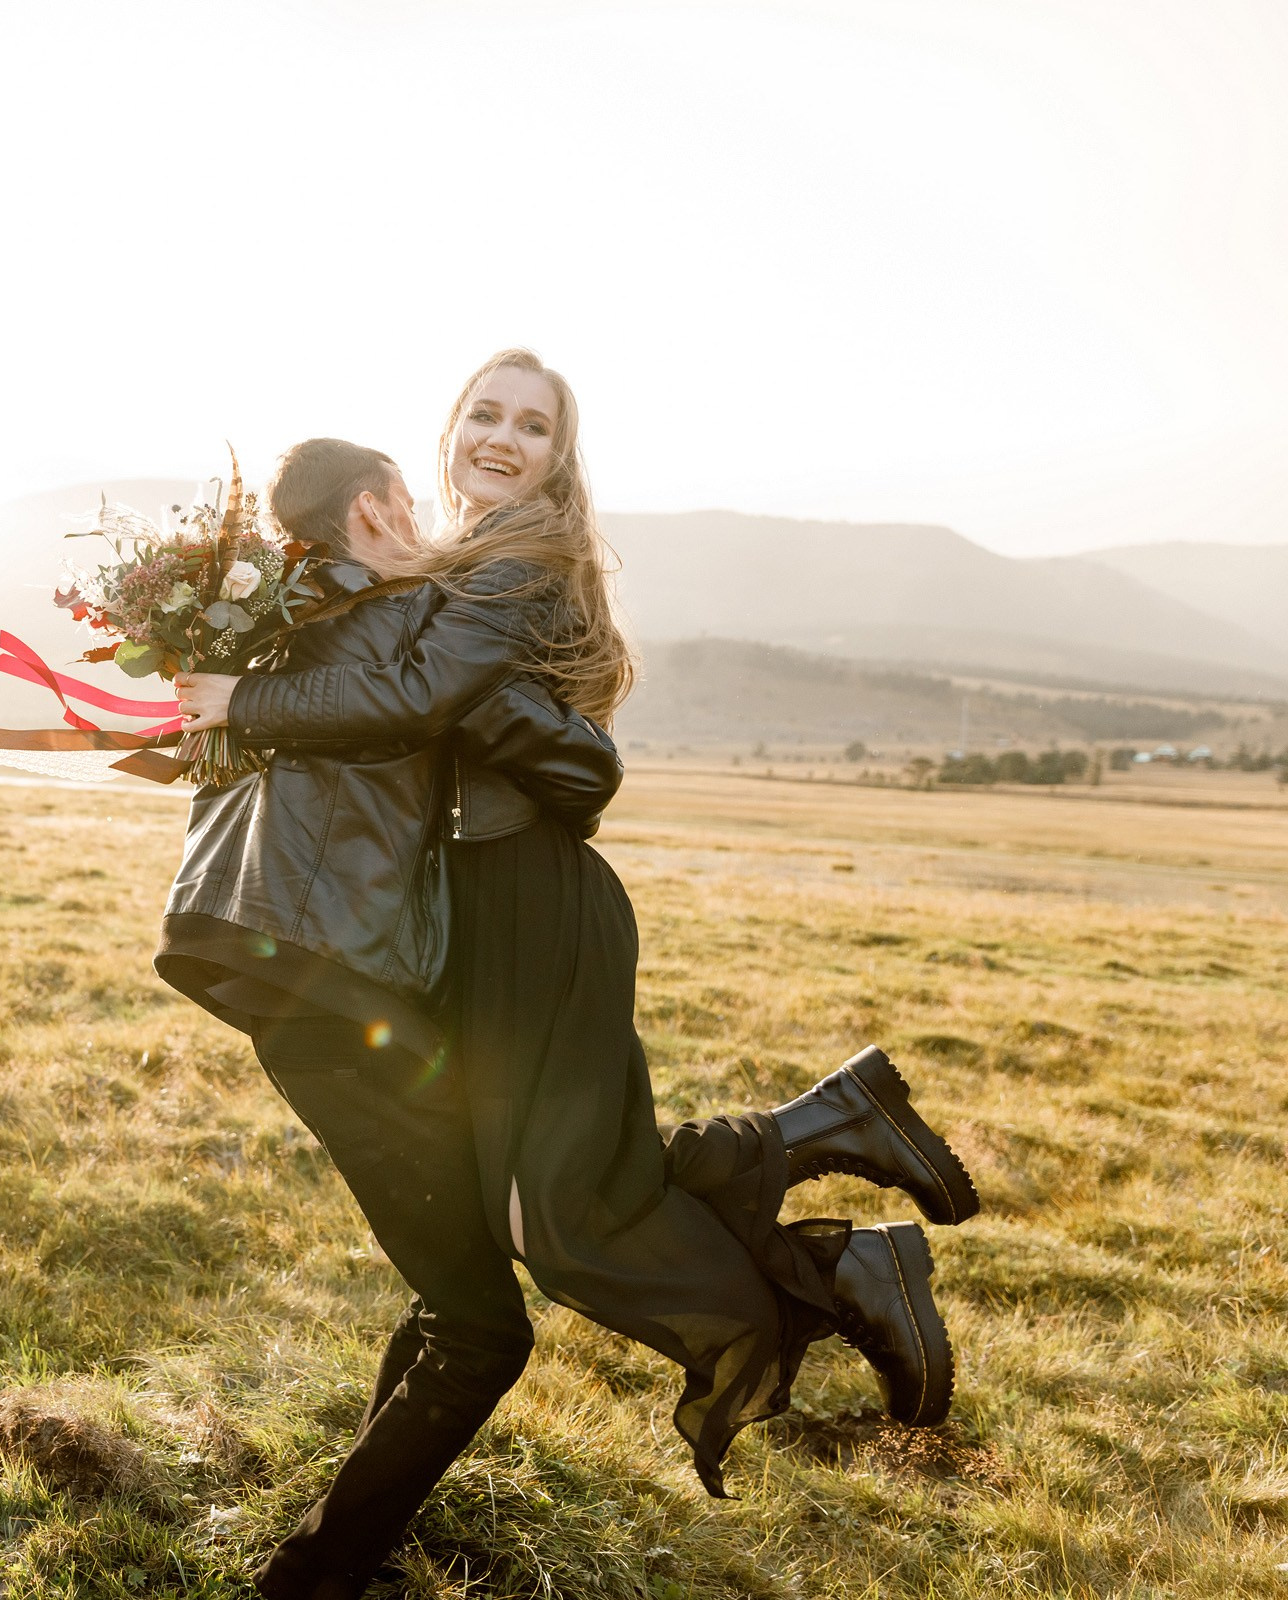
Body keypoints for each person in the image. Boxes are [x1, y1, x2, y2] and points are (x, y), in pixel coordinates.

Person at [172, 356, 975, 1599]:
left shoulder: (518, 557)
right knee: (559, 1194)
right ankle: (834, 1158)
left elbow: (424, 697)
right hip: (482, 908)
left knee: (561, 1212)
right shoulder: (465, 554)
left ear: (559, 452)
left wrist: (251, 698)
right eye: (484, 415)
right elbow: (446, 710)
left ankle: (837, 1242)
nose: (502, 437)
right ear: (449, 433)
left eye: (530, 425)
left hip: (525, 899)